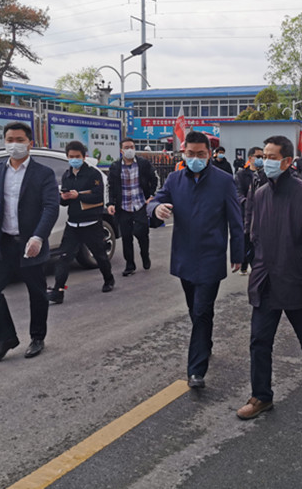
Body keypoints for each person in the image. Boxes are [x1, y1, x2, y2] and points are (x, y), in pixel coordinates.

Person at [237, 135, 302, 420]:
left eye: (271, 157)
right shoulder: (261, 193)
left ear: (287, 161)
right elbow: (253, 233)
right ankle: (261, 396)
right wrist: (249, 262)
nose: (265, 162)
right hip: (265, 280)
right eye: (263, 156)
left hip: (296, 280)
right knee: (259, 340)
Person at [147, 131, 244, 389]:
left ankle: (196, 371)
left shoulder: (224, 181)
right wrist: (156, 209)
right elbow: (155, 201)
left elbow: (236, 220)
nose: (195, 158)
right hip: (184, 256)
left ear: (209, 154)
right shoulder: (175, 179)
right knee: (195, 309)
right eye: (190, 153)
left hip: (211, 256)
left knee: (201, 311)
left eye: (201, 154)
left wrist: (238, 253)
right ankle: (205, 343)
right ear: (183, 153)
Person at [0, 122, 59, 364]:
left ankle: (37, 337)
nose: (14, 145)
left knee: (37, 293)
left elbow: (51, 207)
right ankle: (6, 338)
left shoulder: (43, 173)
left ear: (30, 143)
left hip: (30, 244)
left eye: (19, 140)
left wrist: (38, 237)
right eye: (10, 140)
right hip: (3, 243)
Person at [47, 141, 114, 304]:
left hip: (91, 223)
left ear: (84, 157)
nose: (74, 159)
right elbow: (64, 202)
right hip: (73, 224)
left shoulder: (93, 174)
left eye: (77, 156)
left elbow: (98, 196)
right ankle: (58, 291)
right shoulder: (67, 175)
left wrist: (79, 196)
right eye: (71, 157)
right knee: (64, 258)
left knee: (100, 256)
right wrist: (63, 198)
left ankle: (108, 279)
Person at [108, 138, 158, 276]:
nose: (129, 149)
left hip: (140, 204)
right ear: (121, 150)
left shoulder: (143, 164)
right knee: (126, 237)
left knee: (142, 234)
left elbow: (155, 179)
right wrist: (110, 203)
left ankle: (145, 256)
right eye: (126, 147)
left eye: (132, 147)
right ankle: (130, 265)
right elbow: (110, 186)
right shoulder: (115, 167)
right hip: (123, 206)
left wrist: (152, 195)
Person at [234, 146, 267, 276]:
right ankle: (244, 264)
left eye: (262, 157)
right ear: (250, 158)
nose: (261, 159)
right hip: (246, 214)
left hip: (263, 215)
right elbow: (237, 193)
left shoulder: (265, 174)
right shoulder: (241, 174)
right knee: (247, 242)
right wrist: (247, 202)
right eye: (258, 157)